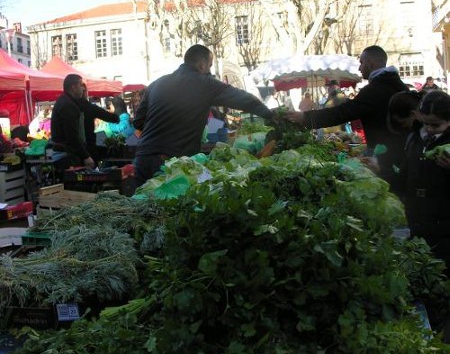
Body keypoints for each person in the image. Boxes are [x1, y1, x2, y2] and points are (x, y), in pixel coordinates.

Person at [133, 44, 275, 187]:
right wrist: (271, 116)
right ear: (202, 65)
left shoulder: (156, 84)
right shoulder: (204, 83)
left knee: (139, 205)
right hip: (170, 162)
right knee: (169, 206)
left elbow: (138, 122)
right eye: (210, 66)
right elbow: (244, 100)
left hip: (142, 158)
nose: (210, 71)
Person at [286, 45, 408, 180]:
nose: (359, 68)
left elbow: (342, 112)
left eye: (361, 63)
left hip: (387, 156)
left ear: (370, 63)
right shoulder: (398, 85)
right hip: (397, 152)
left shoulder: (375, 89)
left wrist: (305, 117)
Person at [396, 90, 450, 272]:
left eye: (436, 125)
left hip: (444, 228)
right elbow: (404, 176)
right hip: (417, 222)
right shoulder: (415, 138)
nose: (430, 129)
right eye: (426, 123)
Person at [50, 74, 95, 168]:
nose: (83, 88)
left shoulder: (67, 101)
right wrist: (86, 156)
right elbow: (72, 135)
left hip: (66, 154)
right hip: (66, 156)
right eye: (81, 85)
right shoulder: (67, 105)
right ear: (73, 87)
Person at [78, 83, 120, 160]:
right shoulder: (90, 107)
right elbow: (114, 118)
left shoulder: (68, 106)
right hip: (88, 147)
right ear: (85, 92)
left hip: (72, 151)